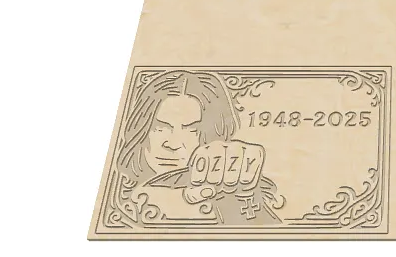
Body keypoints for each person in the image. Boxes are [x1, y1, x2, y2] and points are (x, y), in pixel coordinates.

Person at [113, 70, 283, 225]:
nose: (173, 144)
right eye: (160, 127)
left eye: (191, 129)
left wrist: (240, 200)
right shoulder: (121, 198)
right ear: (141, 130)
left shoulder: (224, 192)